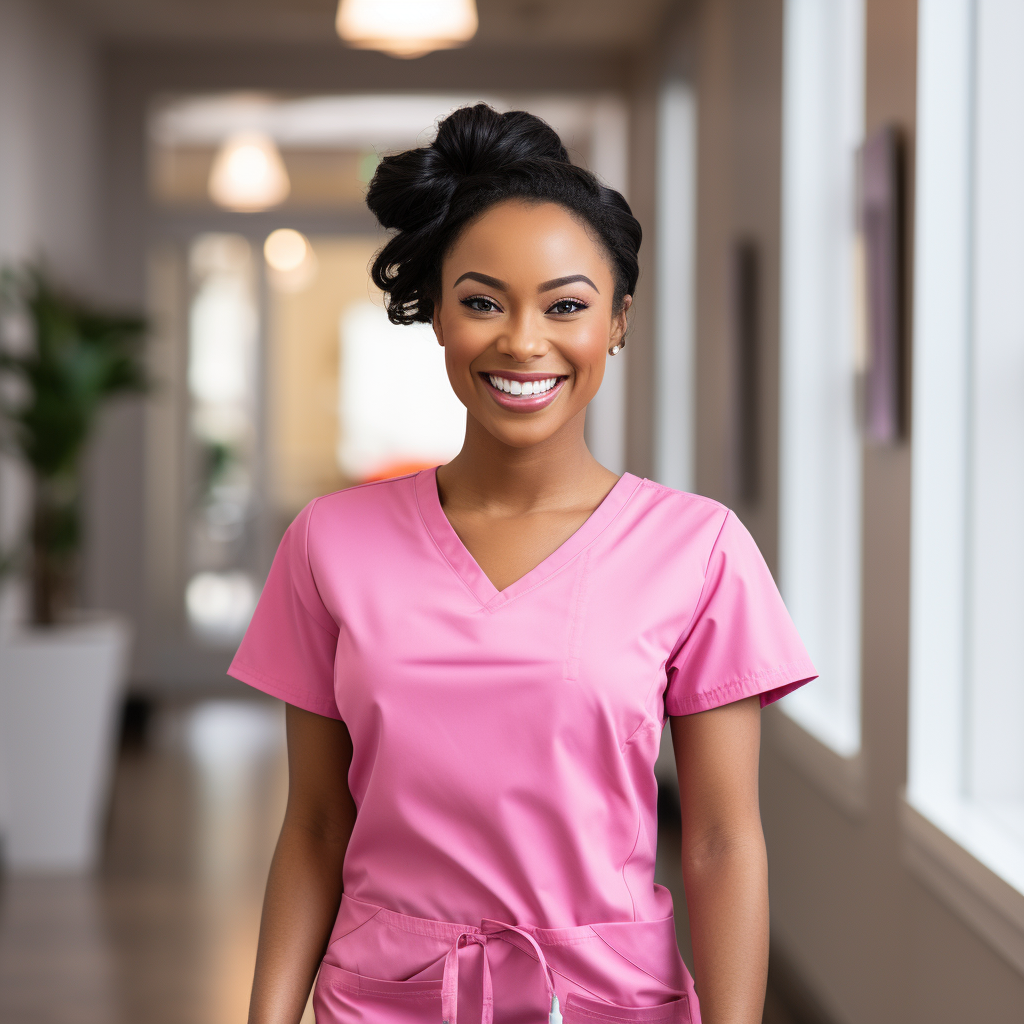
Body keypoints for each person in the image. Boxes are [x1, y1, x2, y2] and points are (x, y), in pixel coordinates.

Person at [231, 103, 816, 1024]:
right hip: (384, 1000)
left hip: (607, 1003)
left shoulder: (697, 549)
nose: (522, 340)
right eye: (481, 301)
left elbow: (719, 839)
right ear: (438, 321)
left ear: (618, 321)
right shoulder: (329, 543)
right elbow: (312, 827)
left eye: (567, 304)